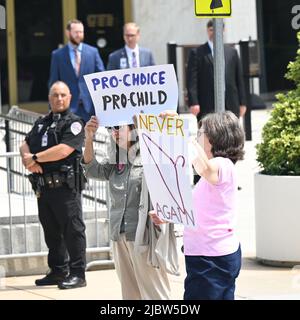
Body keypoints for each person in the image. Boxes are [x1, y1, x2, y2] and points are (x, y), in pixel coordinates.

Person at [82, 113, 179, 300]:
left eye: (119, 128)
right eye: (111, 129)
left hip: (144, 235)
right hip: (119, 234)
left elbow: (172, 162)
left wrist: (165, 125)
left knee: (155, 295)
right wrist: (88, 138)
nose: (114, 133)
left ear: (133, 129)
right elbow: (92, 169)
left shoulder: (152, 155)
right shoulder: (117, 158)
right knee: (130, 295)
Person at [151, 111, 245, 300]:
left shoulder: (222, 164)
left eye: (200, 134)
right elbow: (202, 211)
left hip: (211, 258)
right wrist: (169, 215)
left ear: (215, 138)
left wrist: (180, 129)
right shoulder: (215, 171)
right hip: (209, 256)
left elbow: (203, 167)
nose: (197, 138)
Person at [20, 81, 87, 290]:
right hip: (44, 188)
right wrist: (27, 159)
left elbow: (64, 150)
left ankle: (78, 273)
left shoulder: (74, 123)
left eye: (63, 95)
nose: (59, 99)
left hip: (65, 188)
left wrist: (35, 157)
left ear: (70, 97)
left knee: (72, 231)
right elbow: (25, 142)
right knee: (51, 232)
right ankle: (58, 271)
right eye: (55, 95)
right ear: (49, 98)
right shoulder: (42, 122)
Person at [186, 20, 247, 121]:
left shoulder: (232, 52)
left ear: (223, 30)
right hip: (207, 103)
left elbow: (239, 79)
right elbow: (192, 80)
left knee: (231, 134)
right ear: (207, 31)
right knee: (208, 134)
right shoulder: (197, 53)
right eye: (211, 30)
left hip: (231, 103)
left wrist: (242, 102)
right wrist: (193, 102)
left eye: (217, 29)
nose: (214, 32)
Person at [49, 19, 105, 123]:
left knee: (89, 138)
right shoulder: (58, 55)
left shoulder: (93, 52)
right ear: (68, 33)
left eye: (81, 32)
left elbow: (102, 78)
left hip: (89, 107)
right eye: (76, 32)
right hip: (67, 107)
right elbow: (54, 82)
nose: (79, 35)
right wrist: (52, 107)